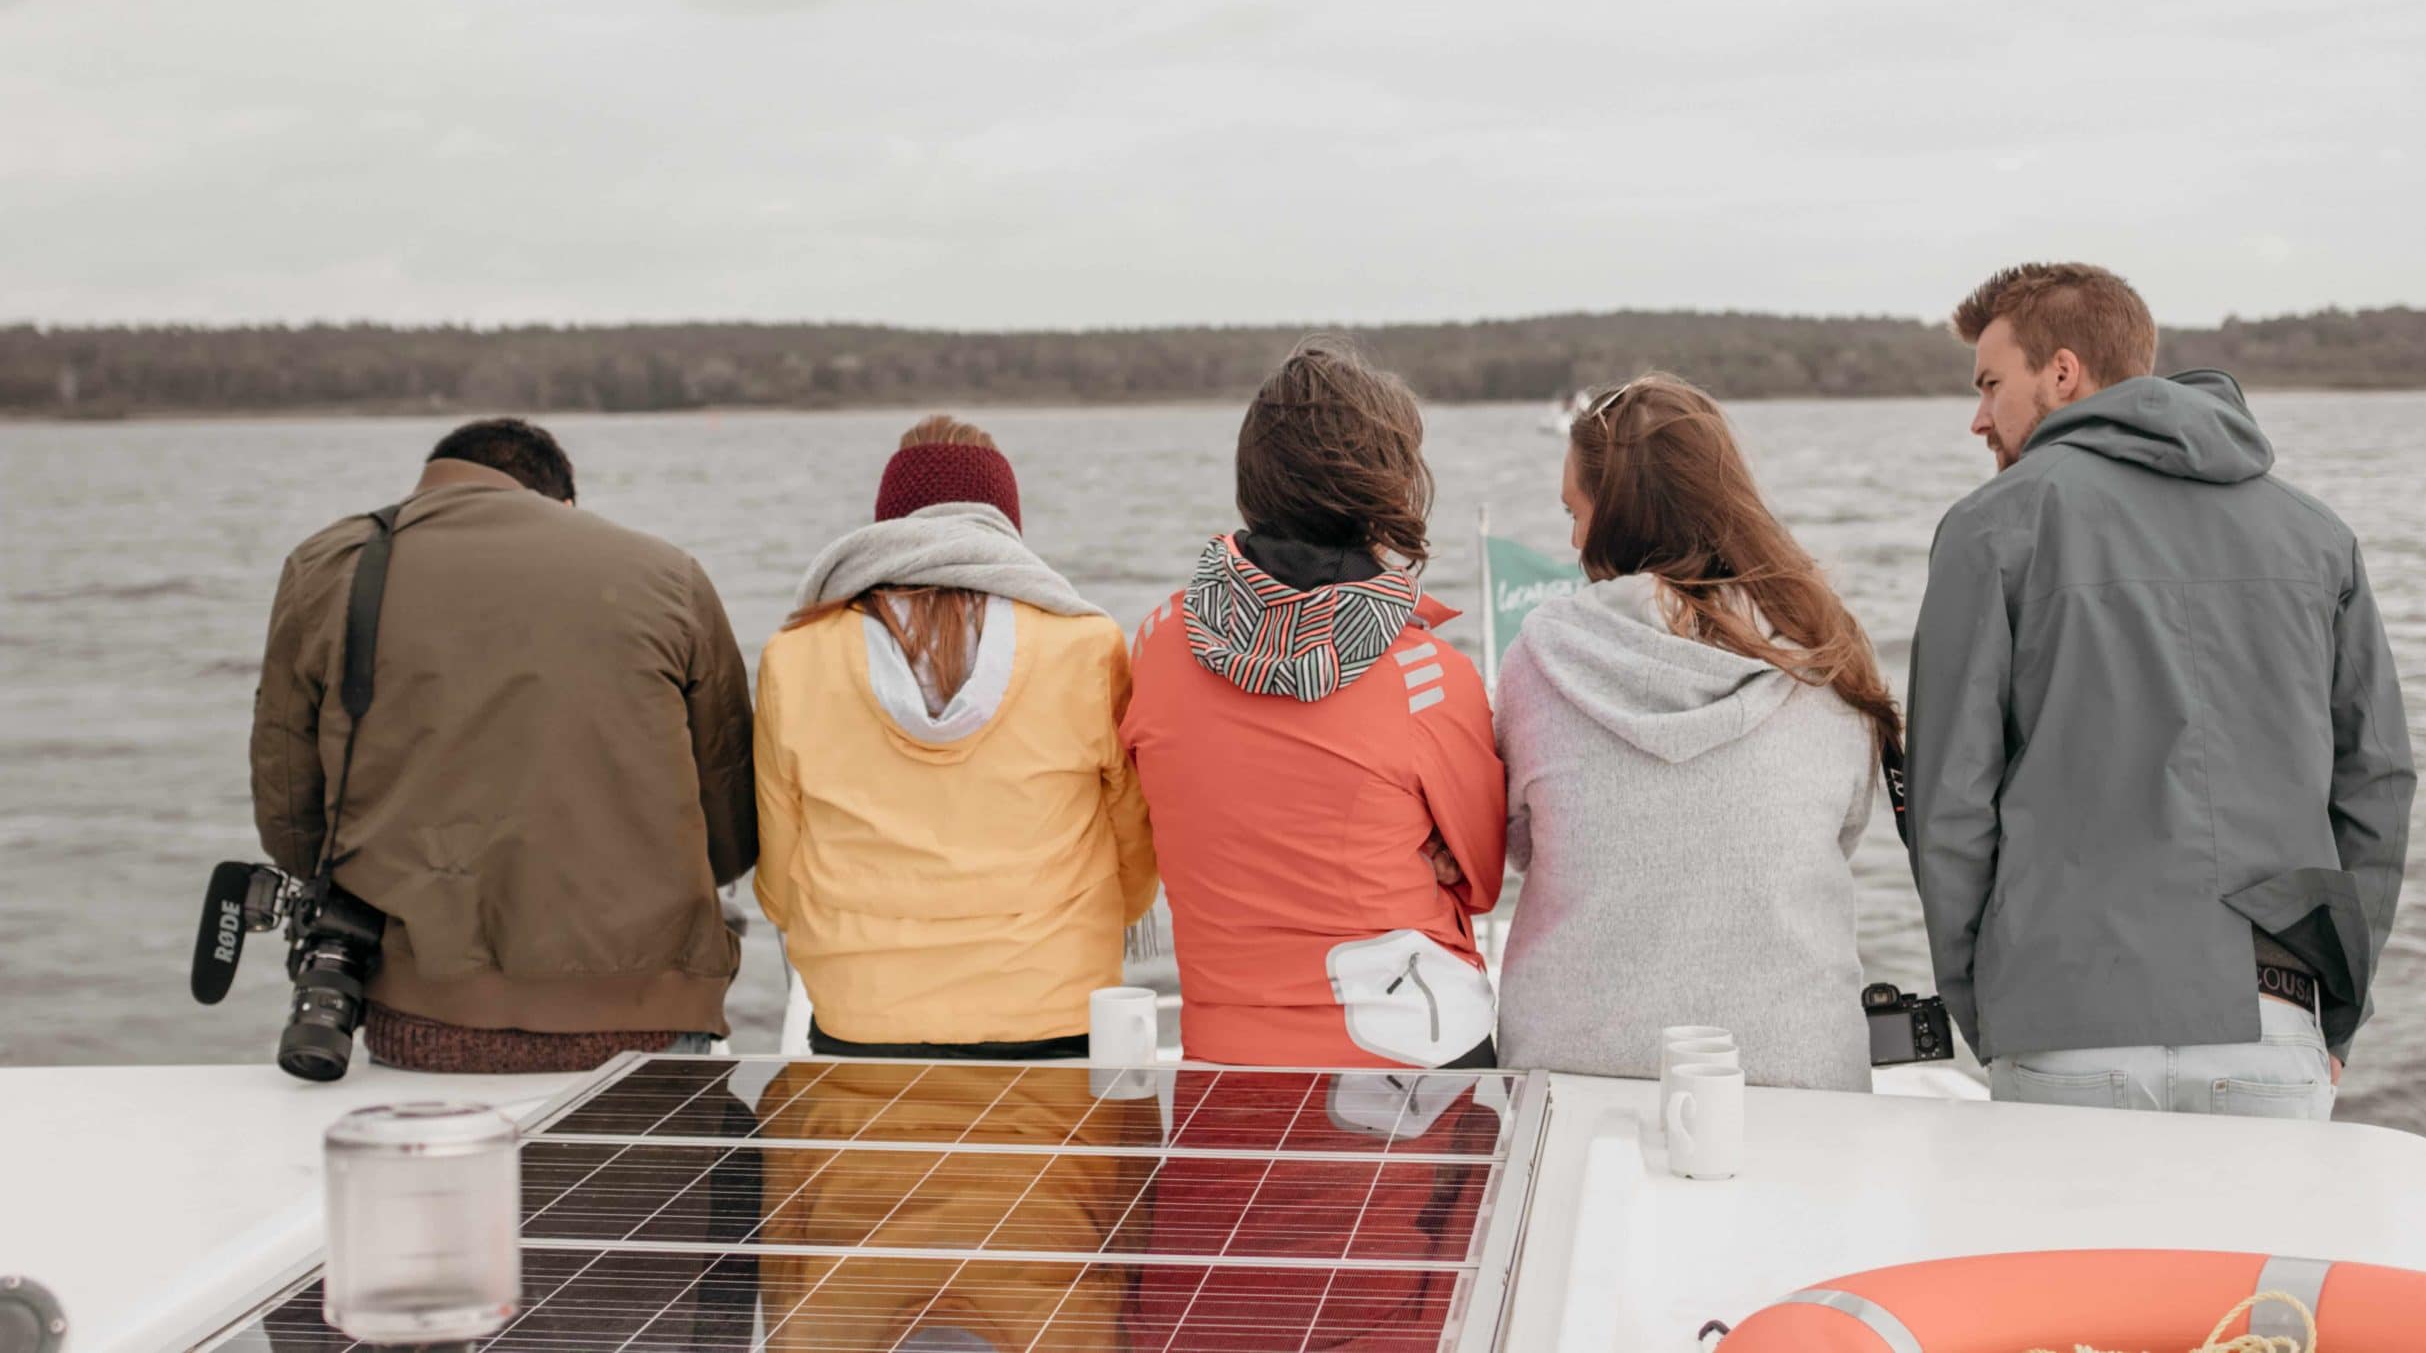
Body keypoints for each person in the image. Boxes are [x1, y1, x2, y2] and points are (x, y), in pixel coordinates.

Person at [1906, 263, 2417, 1119]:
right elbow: (2379, 786)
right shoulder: (2319, 537)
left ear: (2061, 372)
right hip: (2272, 1023)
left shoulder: (1990, 527)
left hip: (2061, 1015)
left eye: (1991, 383)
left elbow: (1948, 808)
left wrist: (1990, 1004)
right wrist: (2335, 1020)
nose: (1979, 417)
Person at [250, 417, 756, 1073]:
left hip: (424, 1017)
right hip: (648, 1018)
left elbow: (290, 816)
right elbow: (733, 830)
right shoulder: (669, 574)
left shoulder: (329, 564)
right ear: (564, 504)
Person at [1493, 375, 1894, 1089]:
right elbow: (1844, 824)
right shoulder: (1824, 652)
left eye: (1575, 512)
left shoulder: (1539, 658)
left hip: (1573, 1069)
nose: (1573, 538)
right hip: (1795, 1071)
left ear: (1612, 519)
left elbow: (1521, 840)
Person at [1121, 337, 1505, 1070]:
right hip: (1417, 1076)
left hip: (1227, 1065)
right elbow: (1482, 877)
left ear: (1252, 481)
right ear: (1386, 493)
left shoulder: (1156, 645)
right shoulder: (1430, 675)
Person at [754, 414, 1156, 1059]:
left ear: (889, 526)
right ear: (1005, 524)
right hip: (1051, 1000)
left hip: (864, 1009)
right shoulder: (1083, 644)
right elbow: (1133, 850)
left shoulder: (796, 654)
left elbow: (779, 871)